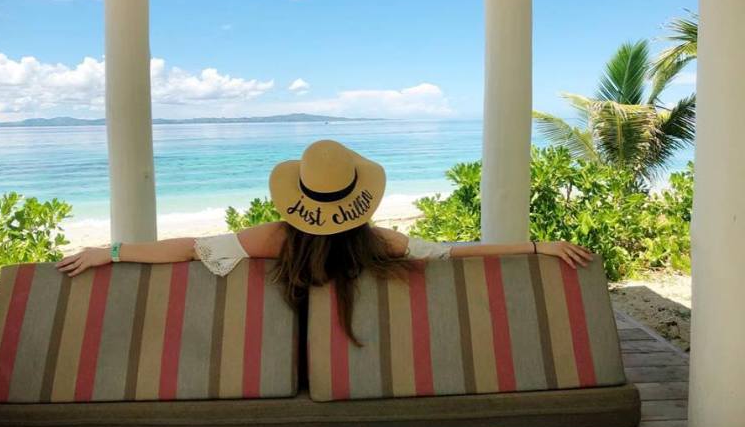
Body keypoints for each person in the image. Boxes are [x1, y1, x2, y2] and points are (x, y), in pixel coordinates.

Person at [57, 139, 592, 343]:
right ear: (356, 197)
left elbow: (186, 246)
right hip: (354, 351)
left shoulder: (273, 238)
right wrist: (536, 247)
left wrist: (111, 252)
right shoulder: (377, 242)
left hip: (286, 353)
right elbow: (454, 251)